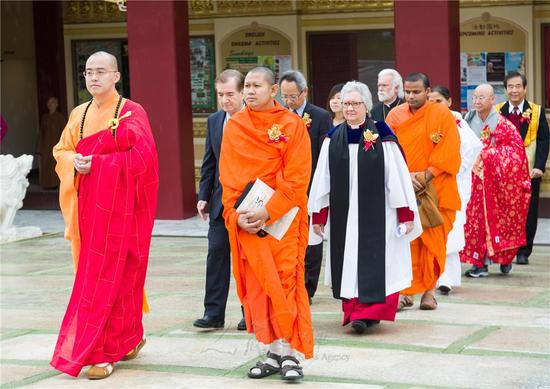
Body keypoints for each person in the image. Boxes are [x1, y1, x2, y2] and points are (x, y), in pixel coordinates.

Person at [51, 51, 158, 379]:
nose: (93, 78)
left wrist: (99, 164)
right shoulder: (79, 114)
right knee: (93, 282)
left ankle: (110, 348)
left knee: (121, 280)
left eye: (101, 72)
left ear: (116, 76)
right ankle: (113, 343)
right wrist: (76, 163)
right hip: (88, 213)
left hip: (123, 214)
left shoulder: (130, 112)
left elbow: (144, 159)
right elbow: (62, 151)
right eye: (87, 72)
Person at [219, 66, 313, 381]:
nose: (249, 91)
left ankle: (290, 354)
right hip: (247, 222)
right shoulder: (235, 126)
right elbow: (228, 178)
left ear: (273, 91)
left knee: (285, 283)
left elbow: (297, 177)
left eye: (257, 86)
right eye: (246, 85)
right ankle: (272, 351)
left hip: (282, 222)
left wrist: (268, 212)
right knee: (260, 288)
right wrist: (236, 215)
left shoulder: (291, 124)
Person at [308, 81, 421, 334]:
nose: (349, 108)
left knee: (378, 260)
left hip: (379, 214)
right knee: (348, 260)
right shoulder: (333, 138)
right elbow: (322, 180)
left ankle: (370, 313)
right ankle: (354, 311)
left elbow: (397, 177)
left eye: (355, 103)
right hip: (344, 215)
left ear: (366, 106)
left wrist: (405, 214)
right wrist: (319, 214)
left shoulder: (382, 135)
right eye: (346, 103)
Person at [385, 72, 461, 311]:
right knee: (406, 241)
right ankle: (405, 292)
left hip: (436, 187)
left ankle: (429, 292)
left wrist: (426, 175)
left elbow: (450, 150)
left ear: (428, 92)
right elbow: (388, 151)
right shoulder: (395, 115)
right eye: (407, 92)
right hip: (403, 186)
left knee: (434, 242)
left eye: (416, 91)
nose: (411, 96)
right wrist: (407, 177)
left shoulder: (441, 114)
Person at [194, 69, 246, 331]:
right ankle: (213, 313)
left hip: (248, 205)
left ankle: (250, 312)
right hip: (219, 202)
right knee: (216, 255)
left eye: (230, 94)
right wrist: (203, 196)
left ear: (242, 92)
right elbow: (209, 162)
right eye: (220, 95)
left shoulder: (255, 119)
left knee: (247, 261)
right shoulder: (215, 120)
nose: (225, 100)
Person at [461, 84, 531, 277]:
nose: (477, 101)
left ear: (493, 100)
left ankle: (504, 259)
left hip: (496, 185)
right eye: (475, 97)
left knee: (498, 221)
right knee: (475, 222)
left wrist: (489, 155)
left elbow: (516, 153)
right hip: (473, 182)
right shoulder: (467, 120)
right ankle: (479, 263)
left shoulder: (503, 124)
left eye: (482, 97)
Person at [279, 70, 332, 304]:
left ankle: (307, 288)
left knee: (311, 240)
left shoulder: (320, 117)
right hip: (283, 189)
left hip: (310, 186)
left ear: (304, 92)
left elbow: (323, 156)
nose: (289, 102)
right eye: (285, 97)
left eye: (293, 97)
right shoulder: (277, 116)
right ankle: (289, 283)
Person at [428, 86, 482, 294]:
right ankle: (428, 276)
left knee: (450, 229)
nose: (434, 105)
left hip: (453, 182)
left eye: (439, 101)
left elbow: (471, 150)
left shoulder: (457, 123)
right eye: (431, 101)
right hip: (429, 184)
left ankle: (446, 278)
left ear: (449, 102)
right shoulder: (427, 120)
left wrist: (451, 169)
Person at [495, 72, 549, 265]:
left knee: (529, 211)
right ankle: (506, 251)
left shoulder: (536, 111)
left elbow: (543, 140)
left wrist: (539, 167)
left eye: (518, 86)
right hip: (504, 173)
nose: (514, 90)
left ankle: (524, 251)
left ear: (525, 88)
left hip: (528, 171)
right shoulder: (498, 111)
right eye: (511, 86)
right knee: (504, 211)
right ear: (505, 89)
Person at [38, 97, 66, 188]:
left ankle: (55, 184)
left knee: (55, 165)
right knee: (45, 164)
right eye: (49, 102)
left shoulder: (60, 117)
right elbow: (41, 132)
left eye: (53, 102)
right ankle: (46, 184)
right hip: (46, 145)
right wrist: (40, 147)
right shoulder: (44, 117)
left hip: (56, 145)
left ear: (57, 104)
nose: (50, 104)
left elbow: (64, 133)